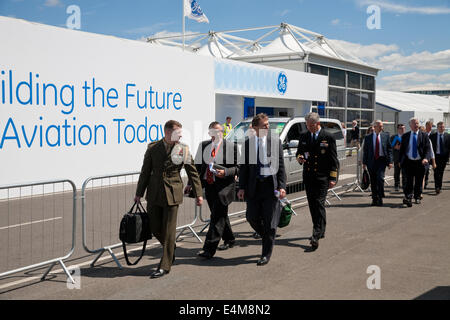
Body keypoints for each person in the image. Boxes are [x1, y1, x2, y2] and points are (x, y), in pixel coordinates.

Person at [134, 120, 203, 279]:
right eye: (177, 133)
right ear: (167, 132)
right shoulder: (153, 148)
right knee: (154, 227)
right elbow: (145, 171)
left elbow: (192, 172)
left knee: (169, 229)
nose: (180, 135)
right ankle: (170, 247)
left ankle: (165, 265)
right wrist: (139, 193)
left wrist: (198, 193)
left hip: (173, 192)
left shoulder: (183, 149)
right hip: (154, 192)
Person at [237, 113, 287, 266]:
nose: (268, 127)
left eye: (268, 124)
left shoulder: (275, 141)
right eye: (264, 125)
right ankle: (266, 235)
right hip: (254, 188)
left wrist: (282, 186)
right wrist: (241, 187)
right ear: (255, 127)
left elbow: (281, 166)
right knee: (251, 217)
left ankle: (266, 253)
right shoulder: (248, 143)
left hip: (270, 188)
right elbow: (244, 168)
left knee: (270, 222)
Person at [192, 121, 240, 259]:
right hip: (209, 185)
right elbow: (197, 166)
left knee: (216, 217)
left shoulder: (232, 147)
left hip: (225, 187)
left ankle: (209, 249)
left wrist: (225, 173)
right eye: (213, 132)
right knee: (219, 214)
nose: (217, 134)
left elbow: (238, 167)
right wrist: (191, 183)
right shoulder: (204, 146)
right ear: (209, 133)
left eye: (219, 131)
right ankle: (230, 239)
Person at [296, 112, 339, 250]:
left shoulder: (328, 136)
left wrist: (333, 178)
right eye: (307, 125)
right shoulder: (303, 135)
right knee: (312, 205)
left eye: (310, 125)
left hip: (322, 177)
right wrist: (300, 158)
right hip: (308, 176)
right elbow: (299, 153)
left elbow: (334, 160)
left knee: (319, 203)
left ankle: (316, 233)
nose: (308, 127)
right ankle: (321, 229)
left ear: (317, 124)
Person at [399, 117, 432, 207]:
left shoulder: (424, 135)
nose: (416, 125)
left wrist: (426, 158)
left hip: (420, 162)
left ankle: (417, 197)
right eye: (414, 123)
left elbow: (427, 149)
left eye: (417, 123)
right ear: (410, 125)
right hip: (408, 162)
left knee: (418, 181)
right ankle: (409, 197)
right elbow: (402, 150)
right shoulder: (405, 136)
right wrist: (400, 161)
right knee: (408, 181)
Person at [362, 120, 393, 206]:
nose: (381, 127)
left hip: (381, 161)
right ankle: (374, 198)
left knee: (380, 179)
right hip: (371, 162)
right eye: (380, 126)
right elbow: (366, 151)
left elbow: (389, 149)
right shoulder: (368, 137)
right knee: (373, 181)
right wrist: (364, 163)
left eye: (382, 126)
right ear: (374, 127)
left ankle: (380, 197)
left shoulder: (386, 135)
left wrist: (390, 161)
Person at [429, 121, 450, 195]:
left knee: (441, 172)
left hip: (444, 157)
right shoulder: (432, 136)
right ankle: (437, 187)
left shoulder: (448, 136)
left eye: (443, 127)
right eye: (440, 127)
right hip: (435, 157)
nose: (442, 128)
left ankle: (439, 186)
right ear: (437, 128)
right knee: (436, 172)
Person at [390, 124, 406, 192]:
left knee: (405, 173)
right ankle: (397, 185)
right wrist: (394, 147)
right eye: (400, 128)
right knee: (396, 172)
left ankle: (404, 185)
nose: (402, 129)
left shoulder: (407, 136)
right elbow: (390, 146)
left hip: (405, 158)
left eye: (403, 128)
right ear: (398, 129)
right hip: (397, 157)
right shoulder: (394, 137)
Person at [423, 120, 436, 189]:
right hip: (426, 155)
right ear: (426, 126)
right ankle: (425, 181)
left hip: (432, 154)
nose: (429, 127)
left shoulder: (434, 134)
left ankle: (426, 180)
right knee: (426, 169)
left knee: (432, 169)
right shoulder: (423, 134)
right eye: (428, 126)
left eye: (430, 126)